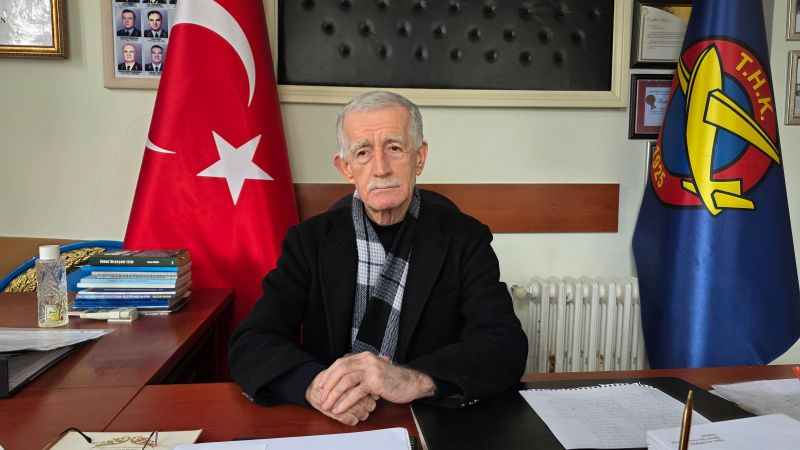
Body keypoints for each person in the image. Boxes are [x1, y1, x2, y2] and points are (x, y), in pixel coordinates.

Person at [229, 91, 527, 426]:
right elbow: (252, 340)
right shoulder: (308, 242)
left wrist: (411, 379)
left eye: (394, 148)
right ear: (346, 167)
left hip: (429, 419)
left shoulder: (465, 239)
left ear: (419, 157)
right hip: (334, 416)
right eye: (363, 152)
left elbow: (504, 344)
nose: (381, 168)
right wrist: (314, 387)